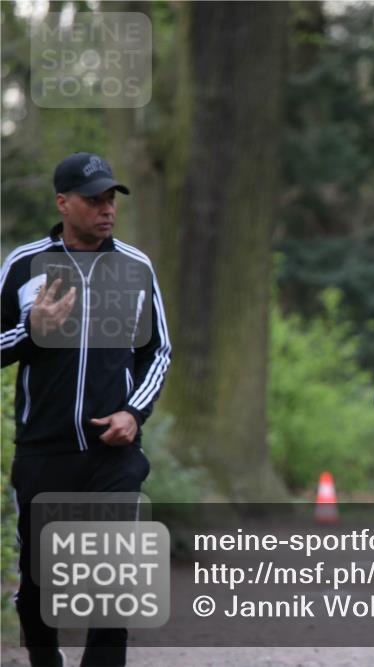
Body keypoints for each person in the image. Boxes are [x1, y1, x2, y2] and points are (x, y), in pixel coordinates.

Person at [1, 152, 172, 667]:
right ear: (63, 202)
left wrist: (133, 414)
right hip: (43, 448)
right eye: (93, 199)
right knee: (38, 579)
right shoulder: (24, 265)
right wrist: (34, 331)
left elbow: (158, 352)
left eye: (110, 200)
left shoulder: (136, 267)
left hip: (111, 450)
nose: (106, 209)